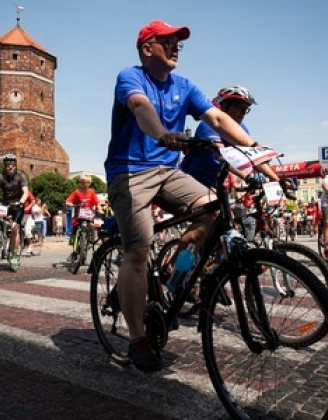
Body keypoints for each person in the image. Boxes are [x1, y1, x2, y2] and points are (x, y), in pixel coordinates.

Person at [104, 20, 281, 372]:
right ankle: (138, 339)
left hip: (168, 172)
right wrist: (163, 135)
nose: (175, 47)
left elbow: (216, 117)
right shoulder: (131, 77)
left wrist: (253, 146)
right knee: (138, 251)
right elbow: (141, 108)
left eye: (178, 43)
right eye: (167, 42)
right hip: (129, 172)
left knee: (211, 211)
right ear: (147, 48)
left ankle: (176, 276)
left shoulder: (184, 86)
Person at [0, 153, 29, 271]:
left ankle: (14, 254)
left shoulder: (21, 176)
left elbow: (25, 192)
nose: (10, 166)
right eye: (7, 164)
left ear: (15, 165)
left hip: (18, 205)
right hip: (6, 205)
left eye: (12, 164)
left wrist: (22, 201)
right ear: (4, 165)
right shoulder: (0, 176)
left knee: (14, 228)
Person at [65, 174, 101, 255]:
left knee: (98, 224)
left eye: (88, 183)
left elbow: (97, 203)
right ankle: (74, 246)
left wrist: (100, 209)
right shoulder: (76, 192)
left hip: (89, 215)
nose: (85, 185)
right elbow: (68, 201)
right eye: (83, 182)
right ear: (80, 183)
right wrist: (69, 204)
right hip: (78, 216)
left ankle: (91, 239)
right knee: (75, 230)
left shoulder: (91, 192)